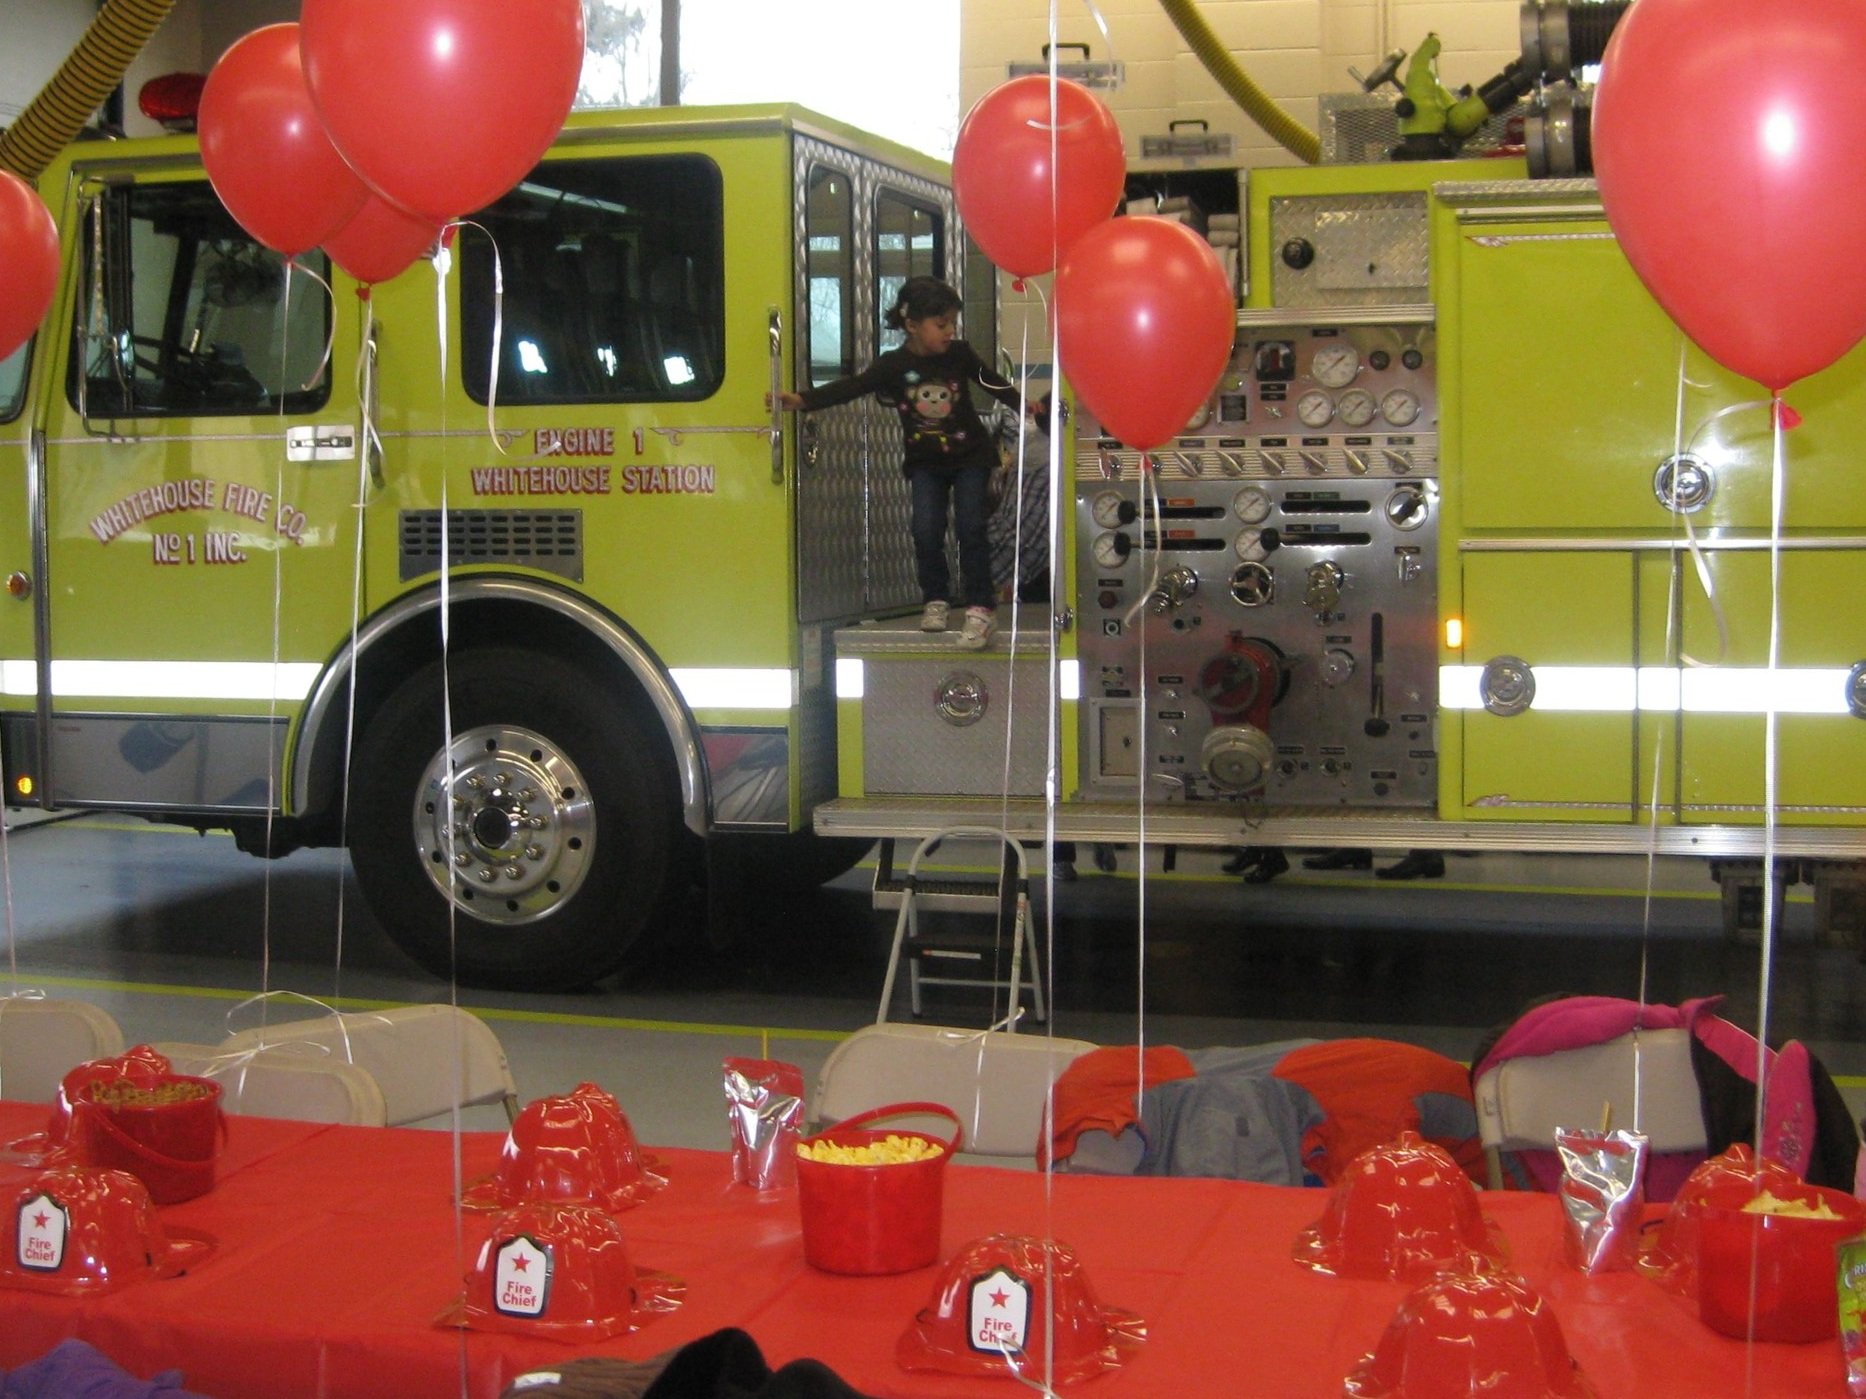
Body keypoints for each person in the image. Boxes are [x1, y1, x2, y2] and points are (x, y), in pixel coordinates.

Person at [769, 276, 1022, 650]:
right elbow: (853, 387)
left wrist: (1027, 406)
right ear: (912, 326)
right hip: (926, 463)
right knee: (925, 529)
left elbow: (993, 382)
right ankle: (935, 598)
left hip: (971, 456)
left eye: (953, 323)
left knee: (971, 527)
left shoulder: (960, 354)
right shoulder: (894, 364)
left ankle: (981, 608)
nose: (950, 331)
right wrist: (802, 400)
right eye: (941, 325)